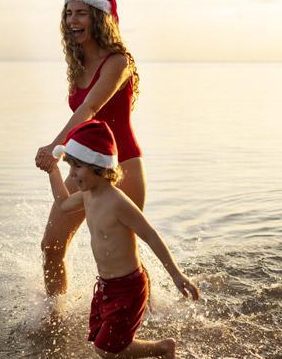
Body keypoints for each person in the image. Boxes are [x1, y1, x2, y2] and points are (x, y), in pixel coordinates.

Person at [44, 120, 199, 358]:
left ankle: (162, 347)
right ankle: (162, 347)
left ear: (98, 166)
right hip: (106, 286)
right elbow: (63, 204)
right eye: (70, 168)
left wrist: (177, 275)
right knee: (101, 343)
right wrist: (52, 171)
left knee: (107, 349)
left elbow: (151, 236)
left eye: (76, 167)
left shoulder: (118, 202)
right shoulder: (87, 194)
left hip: (129, 287)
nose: (72, 174)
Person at [36, 0, 146, 297]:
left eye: (81, 13)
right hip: (84, 166)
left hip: (122, 167)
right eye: (69, 13)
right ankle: (54, 315)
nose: (72, 20)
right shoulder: (78, 63)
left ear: (99, 17)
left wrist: (54, 149)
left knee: (122, 258)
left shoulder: (118, 62)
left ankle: (144, 313)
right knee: (52, 246)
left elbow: (89, 109)